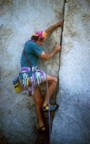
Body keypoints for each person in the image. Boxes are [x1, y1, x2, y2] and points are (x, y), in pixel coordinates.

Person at [20, 20, 63, 132]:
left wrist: (57, 24)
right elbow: (47, 57)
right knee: (54, 80)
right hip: (32, 75)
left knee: (37, 101)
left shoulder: (29, 43)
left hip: (24, 79)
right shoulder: (34, 45)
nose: (42, 43)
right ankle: (46, 104)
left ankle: (40, 125)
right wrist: (56, 50)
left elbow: (45, 33)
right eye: (42, 41)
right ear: (37, 39)